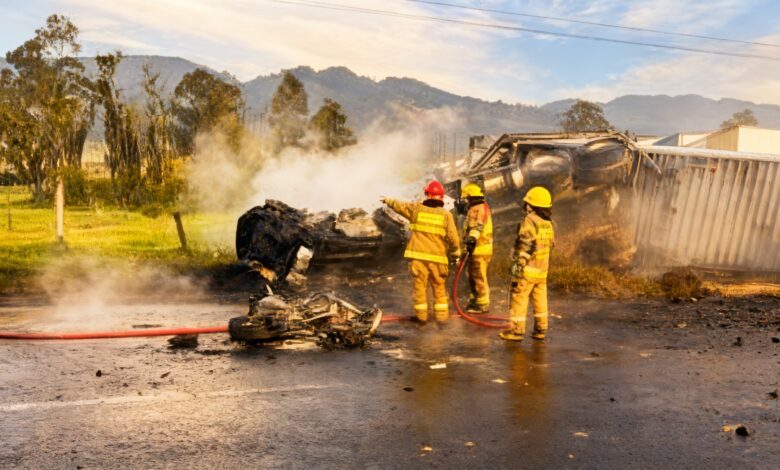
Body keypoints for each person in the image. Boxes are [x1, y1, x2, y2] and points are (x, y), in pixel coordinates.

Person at [382, 180, 461, 323]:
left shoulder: (416, 209)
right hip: (437, 259)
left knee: (419, 287)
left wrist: (388, 201)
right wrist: (456, 253)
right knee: (439, 287)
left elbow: (401, 206)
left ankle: (421, 318)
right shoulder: (446, 215)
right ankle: (442, 319)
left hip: (418, 257)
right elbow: (453, 238)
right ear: (441, 197)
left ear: (427, 194)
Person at [500, 186, 555, 341]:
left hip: (528, 270)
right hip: (542, 271)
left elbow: (526, 243)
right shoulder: (548, 223)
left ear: (532, 205)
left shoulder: (530, 221)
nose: (526, 206)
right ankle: (540, 329)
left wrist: (519, 263)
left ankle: (516, 331)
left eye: (527, 204)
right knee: (540, 301)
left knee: (519, 298)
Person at [460, 183, 493, 314]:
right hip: (480, 249)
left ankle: (482, 304)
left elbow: (476, 227)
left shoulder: (476, 209)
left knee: (478, 276)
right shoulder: (481, 207)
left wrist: (471, 239)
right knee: (473, 276)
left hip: (479, 249)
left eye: (466, 199)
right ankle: (475, 300)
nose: (465, 202)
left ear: (471, 198)